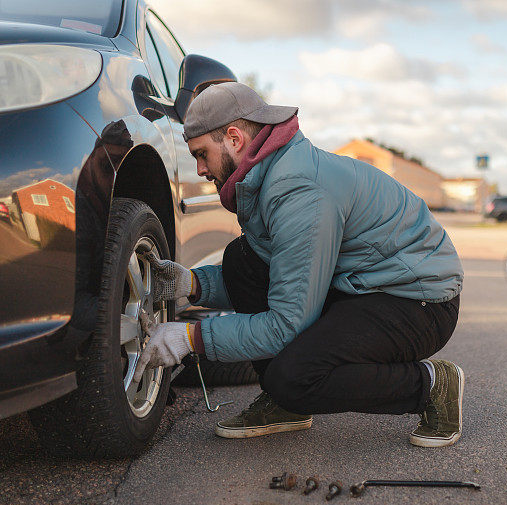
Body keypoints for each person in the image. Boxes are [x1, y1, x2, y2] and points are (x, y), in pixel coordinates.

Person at [136, 82, 464, 447]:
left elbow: (287, 323)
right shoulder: (268, 176)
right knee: (240, 260)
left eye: (201, 154)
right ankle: (285, 405)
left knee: (294, 378)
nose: (199, 169)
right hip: (361, 285)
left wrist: (190, 339)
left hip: (416, 300)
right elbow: (281, 276)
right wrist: (193, 285)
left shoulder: (299, 193)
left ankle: (432, 385)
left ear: (234, 138)